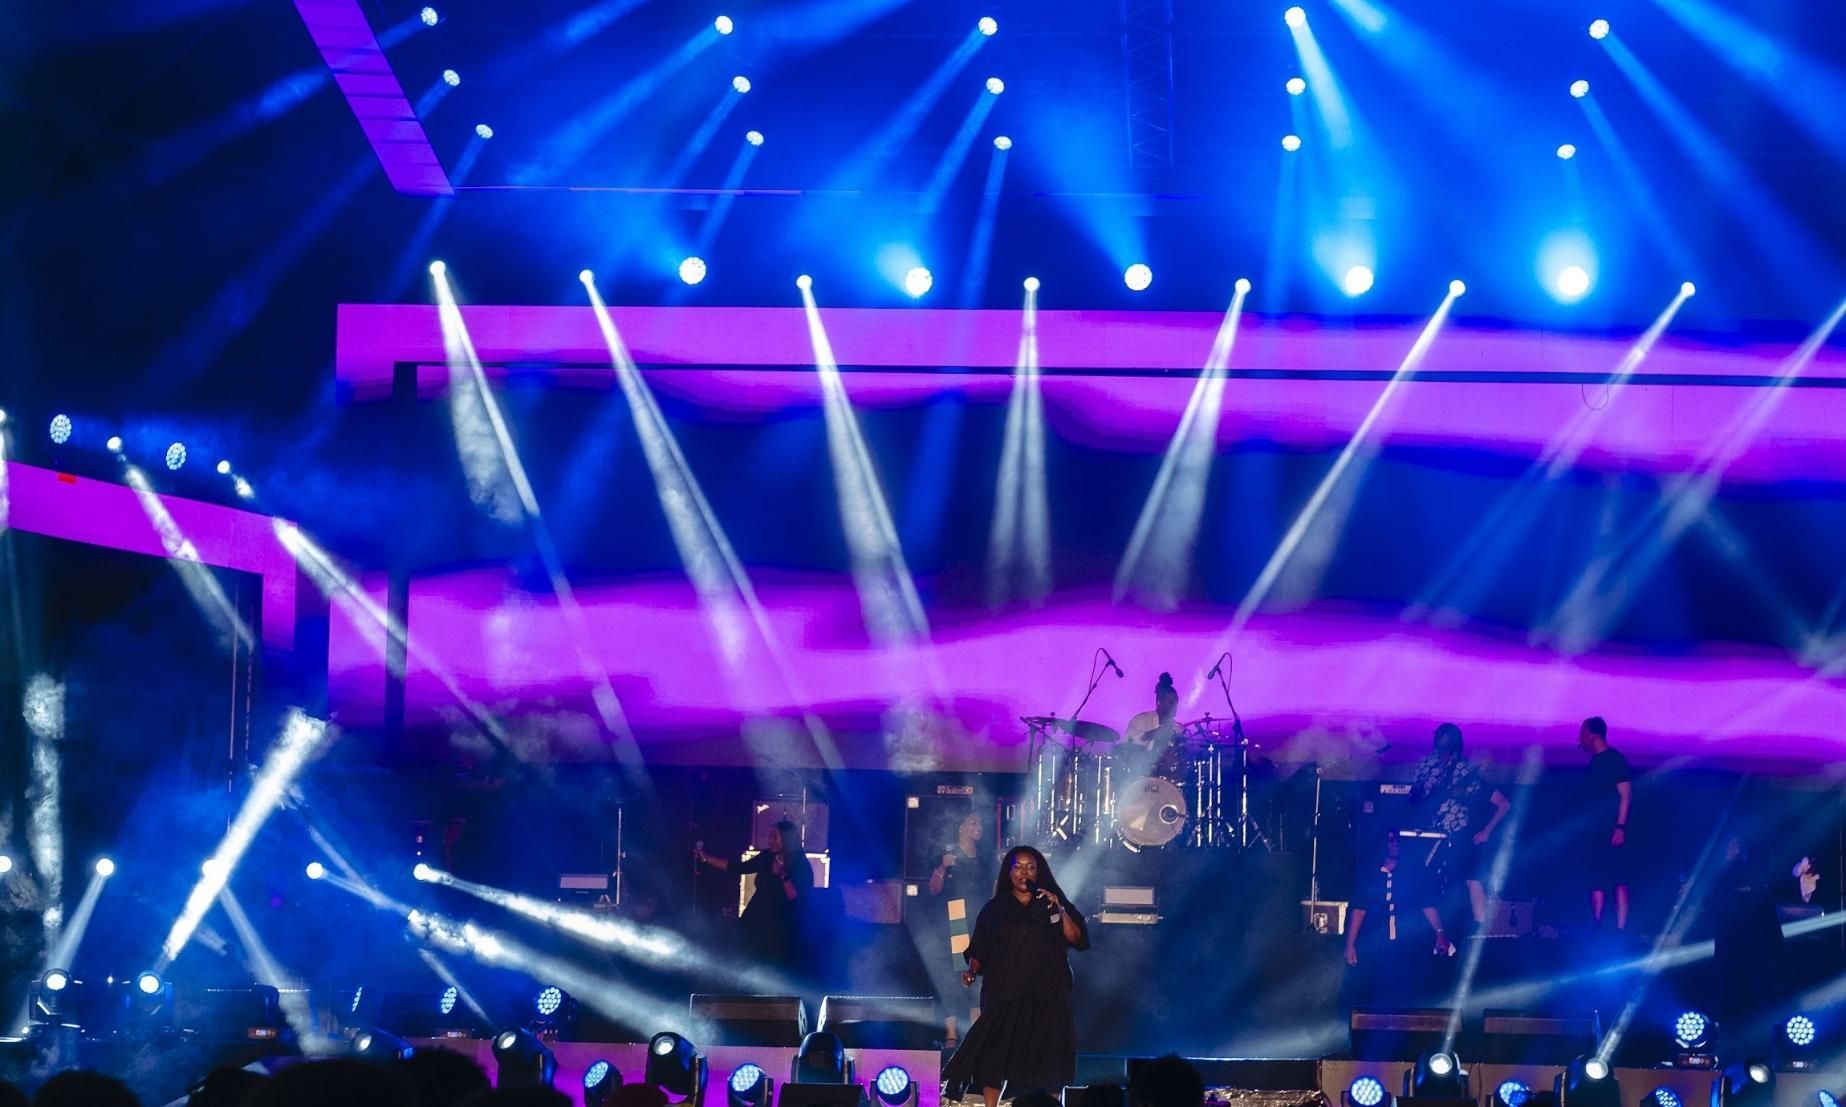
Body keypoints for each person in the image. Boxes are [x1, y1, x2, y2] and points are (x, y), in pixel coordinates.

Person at [944, 846, 1090, 1107]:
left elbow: (1076, 938)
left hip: (1048, 991)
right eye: (1018, 866)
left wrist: (1060, 907)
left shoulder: (1051, 901)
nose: (1025, 872)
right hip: (1006, 990)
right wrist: (972, 971)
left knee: (1049, 1051)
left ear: (1039, 871)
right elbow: (979, 948)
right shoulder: (995, 908)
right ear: (1008, 872)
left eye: (1030, 867)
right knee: (996, 1053)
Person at [1409, 723, 1511, 930]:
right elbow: (1416, 795)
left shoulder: (1464, 768)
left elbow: (1499, 802)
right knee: (1422, 880)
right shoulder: (1425, 764)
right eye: (1438, 736)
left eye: (1445, 738)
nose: (1440, 742)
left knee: (1469, 879)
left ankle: (1478, 930)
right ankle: (1432, 929)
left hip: (1458, 834)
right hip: (1428, 832)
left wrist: (1486, 831)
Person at [1344, 830, 1452, 1010]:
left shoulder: (1413, 872)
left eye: (1397, 840)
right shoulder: (1370, 873)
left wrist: (1440, 932)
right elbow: (1359, 910)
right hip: (1376, 944)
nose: (1395, 844)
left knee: (1407, 993)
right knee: (1374, 993)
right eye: (1390, 840)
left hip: (1406, 942)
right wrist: (1350, 944)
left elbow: (1427, 904)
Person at [695, 818, 812, 972]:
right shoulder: (766, 857)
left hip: (778, 926)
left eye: (774, 837)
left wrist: (783, 875)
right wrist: (706, 858)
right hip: (755, 918)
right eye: (769, 836)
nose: (769, 841)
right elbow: (739, 867)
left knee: (772, 966)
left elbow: (796, 898)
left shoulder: (801, 865)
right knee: (746, 960)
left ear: (786, 839)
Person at [926, 809, 992, 1044]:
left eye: (980, 823)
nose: (978, 826)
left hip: (979, 920)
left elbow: (993, 889)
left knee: (979, 974)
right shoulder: (948, 854)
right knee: (955, 975)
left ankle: (975, 1034)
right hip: (955, 919)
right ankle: (951, 1035)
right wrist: (943, 868)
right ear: (961, 827)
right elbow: (933, 889)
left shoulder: (985, 858)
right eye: (972, 821)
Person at [1577, 716, 1632, 930]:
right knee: (1597, 878)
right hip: (1596, 832)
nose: (1580, 738)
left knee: (1618, 877)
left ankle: (1620, 929)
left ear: (1592, 734)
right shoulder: (1594, 762)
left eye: (1582, 733)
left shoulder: (1615, 759)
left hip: (1613, 829)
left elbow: (1625, 795)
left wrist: (1620, 826)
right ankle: (1597, 925)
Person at [1120, 672, 1183, 777]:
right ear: (1159, 702)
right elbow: (1126, 746)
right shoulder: (1140, 721)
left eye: (1176, 703)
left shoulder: (1179, 729)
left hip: (1169, 782)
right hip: (1139, 779)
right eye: (1171, 703)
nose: (1174, 707)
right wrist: (1152, 734)